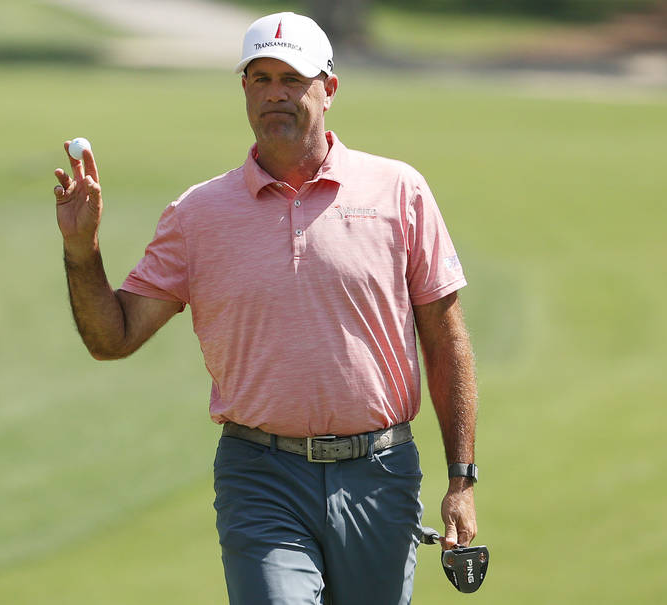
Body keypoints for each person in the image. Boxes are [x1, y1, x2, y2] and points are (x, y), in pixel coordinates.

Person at [53, 11, 478, 605]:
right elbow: (113, 336)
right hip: (261, 475)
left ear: (328, 89)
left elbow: (445, 337)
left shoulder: (398, 191)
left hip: (379, 475)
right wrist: (82, 250)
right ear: (244, 90)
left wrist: (462, 481)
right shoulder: (197, 214)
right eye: (260, 78)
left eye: (291, 77)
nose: (275, 92)